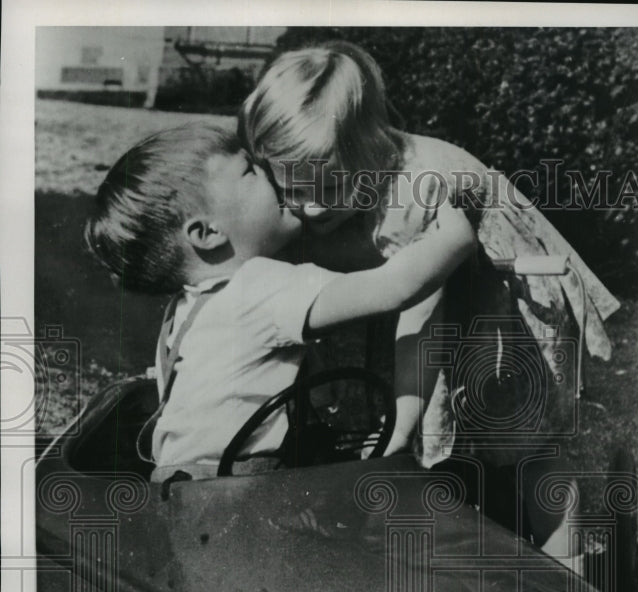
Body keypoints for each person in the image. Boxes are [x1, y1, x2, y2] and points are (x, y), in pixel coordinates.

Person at [239, 41, 619, 555]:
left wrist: (400, 431)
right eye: (290, 191)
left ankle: (566, 568)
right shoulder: (338, 175)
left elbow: (421, 327)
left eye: (324, 189)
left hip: (503, 291)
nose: (304, 209)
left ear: (368, 153)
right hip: (437, 284)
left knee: (527, 438)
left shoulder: (413, 196)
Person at [84, 121, 473, 479]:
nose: (273, 174)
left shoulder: (186, 310)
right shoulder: (260, 287)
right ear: (207, 232)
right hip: (239, 486)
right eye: (251, 171)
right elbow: (394, 289)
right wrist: (451, 233)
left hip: (179, 481)